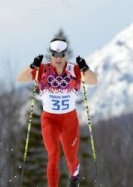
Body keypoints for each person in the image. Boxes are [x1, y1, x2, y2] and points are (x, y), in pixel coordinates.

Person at [17, 38, 98, 187]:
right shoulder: (43, 69)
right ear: (51, 54)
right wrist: (32, 66)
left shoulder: (74, 70)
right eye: (55, 54)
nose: (58, 58)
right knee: (53, 155)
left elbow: (93, 81)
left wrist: (85, 68)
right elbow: (20, 78)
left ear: (66, 54)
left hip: (69, 121)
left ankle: (74, 178)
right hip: (50, 120)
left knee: (71, 157)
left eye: (62, 54)